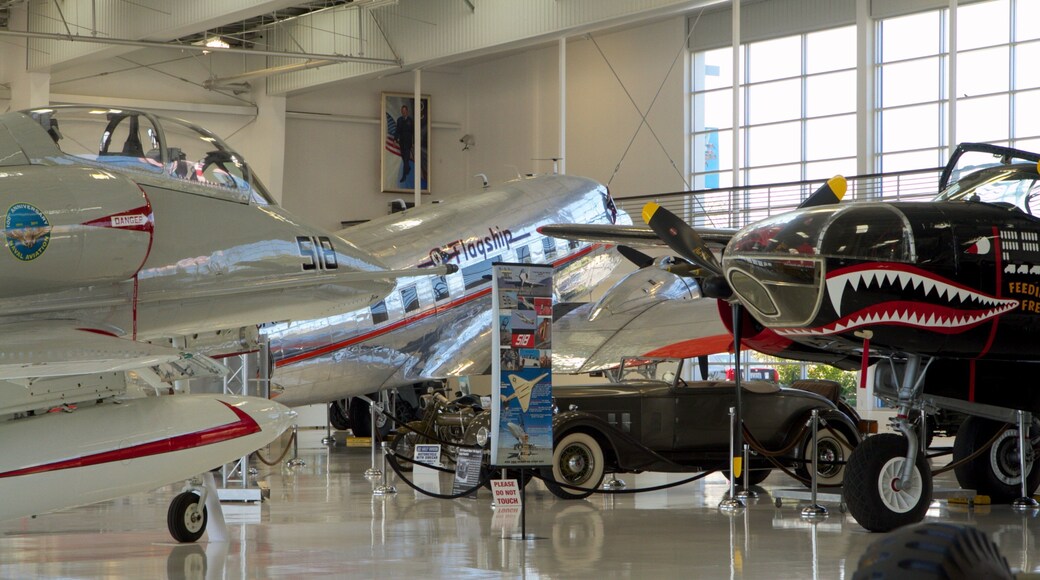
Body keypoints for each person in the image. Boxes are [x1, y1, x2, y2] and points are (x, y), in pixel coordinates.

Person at [394, 104, 414, 183]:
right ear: (401, 112)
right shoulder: (399, 120)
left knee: (406, 159)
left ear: (407, 112)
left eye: (405, 111)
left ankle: (404, 176)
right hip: (401, 142)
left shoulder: (410, 120)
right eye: (402, 111)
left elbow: (413, 132)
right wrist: (395, 139)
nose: (404, 113)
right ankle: (408, 168)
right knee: (403, 157)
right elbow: (397, 131)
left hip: (408, 142)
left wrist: (413, 142)